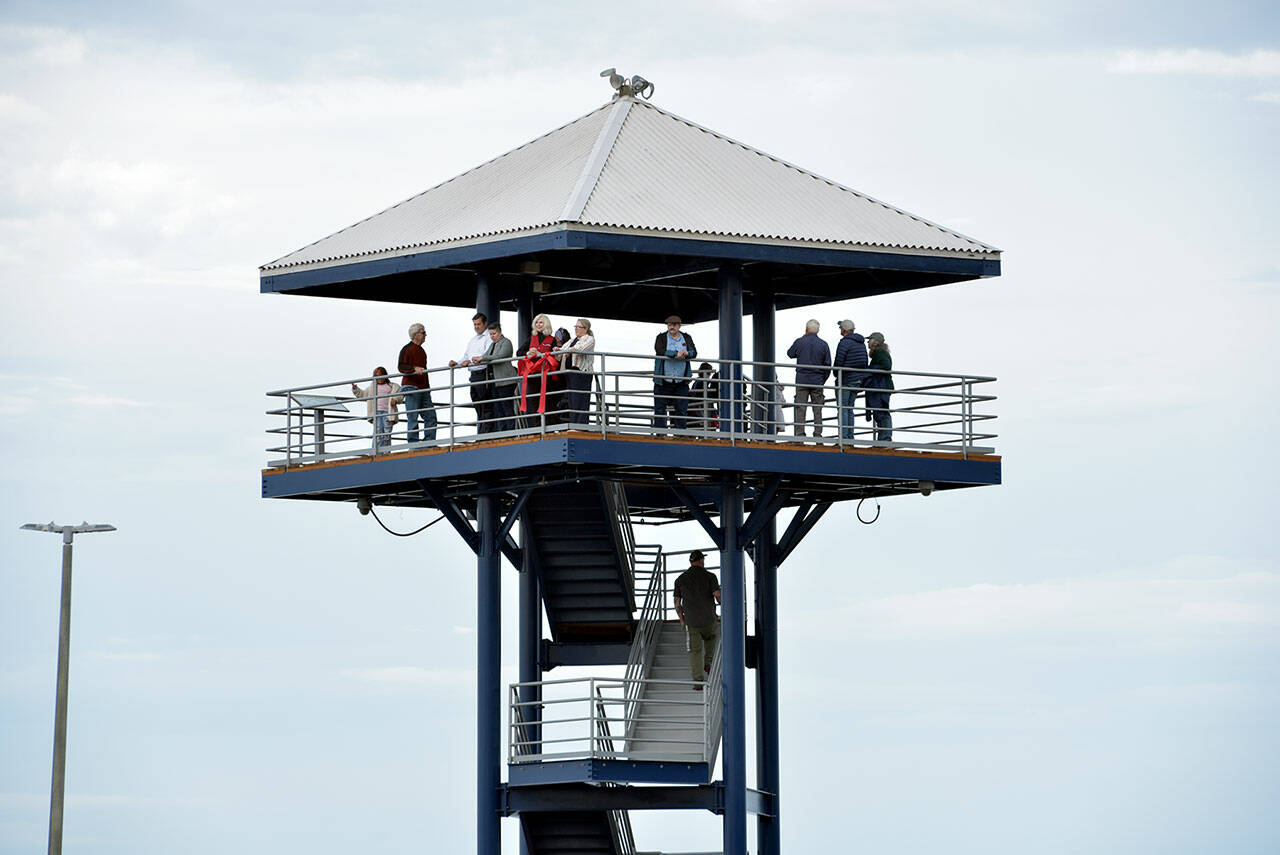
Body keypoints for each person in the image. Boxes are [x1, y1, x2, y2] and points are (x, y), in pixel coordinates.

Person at [673, 550, 721, 690]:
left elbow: (677, 604)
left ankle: (698, 682)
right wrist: (724, 606)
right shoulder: (710, 576)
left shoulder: (680, 579)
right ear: (701, 560)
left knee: (695, 651)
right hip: (709, 618)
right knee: (711, 638)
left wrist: (682, 620)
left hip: (691, 622)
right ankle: (709, 665)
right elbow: (717, 595)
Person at [786, 319, 831, 437]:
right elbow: (828, 365)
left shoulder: (800, 342)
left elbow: (790, 353)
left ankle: (799, 434)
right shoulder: (823, 344)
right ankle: (818, 434)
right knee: (817, 409)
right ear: (818, 330)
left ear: (806, 329)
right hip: (817, 381)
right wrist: (822, 380)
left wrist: (801, 339)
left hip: (802, 379)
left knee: (800, 408)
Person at [653, 315, 697, 433]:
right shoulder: (661, 337)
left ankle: (680, 434)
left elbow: (694, 352)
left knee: (681, 409)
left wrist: (687, 353)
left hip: (681, 381)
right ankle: (660, 434)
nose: (671, 327)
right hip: (663, 380)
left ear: (679, 325)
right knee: (660, 409)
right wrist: (675, 354)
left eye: (673, 324)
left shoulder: (686, 338)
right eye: (669, 325)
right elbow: (659, 350)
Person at [449, 312, 492, 433]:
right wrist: (456, 363)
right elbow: (466, 356)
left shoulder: (489, 338)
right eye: (474, 324)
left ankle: (486, 433)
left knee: (485, 404)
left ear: (485, 324)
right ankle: (482, 431)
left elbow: (486, 357)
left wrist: (470, 362)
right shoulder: (473, 340)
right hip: (473, 375)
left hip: (483, 373)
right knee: (477, 403)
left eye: (478, 324)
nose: (476, 327)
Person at [398, 323, 437, 443]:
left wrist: (428, 389)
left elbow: (424, 371)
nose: (425, 335)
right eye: (423, 332)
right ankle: (413, 443)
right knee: (413, 417)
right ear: (415, 335)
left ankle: (428, 442)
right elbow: (401, 366)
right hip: (411, 387)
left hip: (423, 388)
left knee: (430, 416)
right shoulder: (407, 349)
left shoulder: (422, 351)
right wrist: (413, 369)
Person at [832, 319, 869, 441]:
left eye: (840, 328)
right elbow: (865, 362)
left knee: (842, 408)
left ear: (844, 330)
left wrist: (835, 373)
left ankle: (843, 438)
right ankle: (850, 438)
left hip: (846, 379)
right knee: (850, 409)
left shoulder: (844, 343)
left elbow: (839, 361)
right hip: (857, 381)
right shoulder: (861, 343)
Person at [476, 321, 516, 433]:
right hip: (496, 381)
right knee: (498, 408)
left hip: (506, 381)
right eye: (490, 334)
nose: (492, 336)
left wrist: (482, 358)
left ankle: (511, 432)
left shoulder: (506, 342)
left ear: (499, 333)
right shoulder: (492, 345)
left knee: (507, 407)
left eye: (493, 334)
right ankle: (503, 432)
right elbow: (486, 355)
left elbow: (499, 356)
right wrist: (479, 358)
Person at [517, 313, 557, 423]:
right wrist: (528, 352)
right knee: (534, 399)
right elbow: (518, 352)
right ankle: (536, 425)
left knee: (547, 399)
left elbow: (555, 356)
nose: (538, 325)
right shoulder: (531, 338)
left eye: (541, 322)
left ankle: (548, 423)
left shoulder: (552, 340)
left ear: (546, 324)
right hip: (533, 374)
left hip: (546, 375)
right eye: (537, 322)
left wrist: (541, 354)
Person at [351, 367, 402, 450]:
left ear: (385, 376)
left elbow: (400, 394)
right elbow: (363, 395)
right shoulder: (372, 387)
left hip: (388, 413)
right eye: (377, 376)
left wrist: (395, 400)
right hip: (377, 413)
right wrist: (355, 389)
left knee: (387, 433)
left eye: (381, 375)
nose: (379, 378)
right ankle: (376, 453)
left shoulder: (392, 386)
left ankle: (386, 452)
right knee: (378, 433)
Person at [561, 318, 596, 426]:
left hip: (582, 373)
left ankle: (580, 425)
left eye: (578, 327)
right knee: (572, 399)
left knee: (580, 399)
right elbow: (564, 349)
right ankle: (573, 423)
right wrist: (558, 350)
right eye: (575, 326)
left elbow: (582, 349)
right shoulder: (572, 340)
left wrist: (570, 350)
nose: (576, 329)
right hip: (571, 372)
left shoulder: (589, 339)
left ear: (585, 329)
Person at [866, 331, 894, 443]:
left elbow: (887, 366)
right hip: (881, 386)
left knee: (882, 413)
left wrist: (871, 370)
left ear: (875, 342)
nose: (867, 342)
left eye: (869, 340)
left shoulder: (879, 352)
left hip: (881, 386)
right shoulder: (881, 352)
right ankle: (882, 439)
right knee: (880, 413)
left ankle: (885, 439)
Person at [690, 362, 719, 431]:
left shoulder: (697, 382)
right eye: (709, 373)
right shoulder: (701, 383)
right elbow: (707, 397)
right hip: (702, 415)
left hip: (699, 414)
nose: (709, 376)